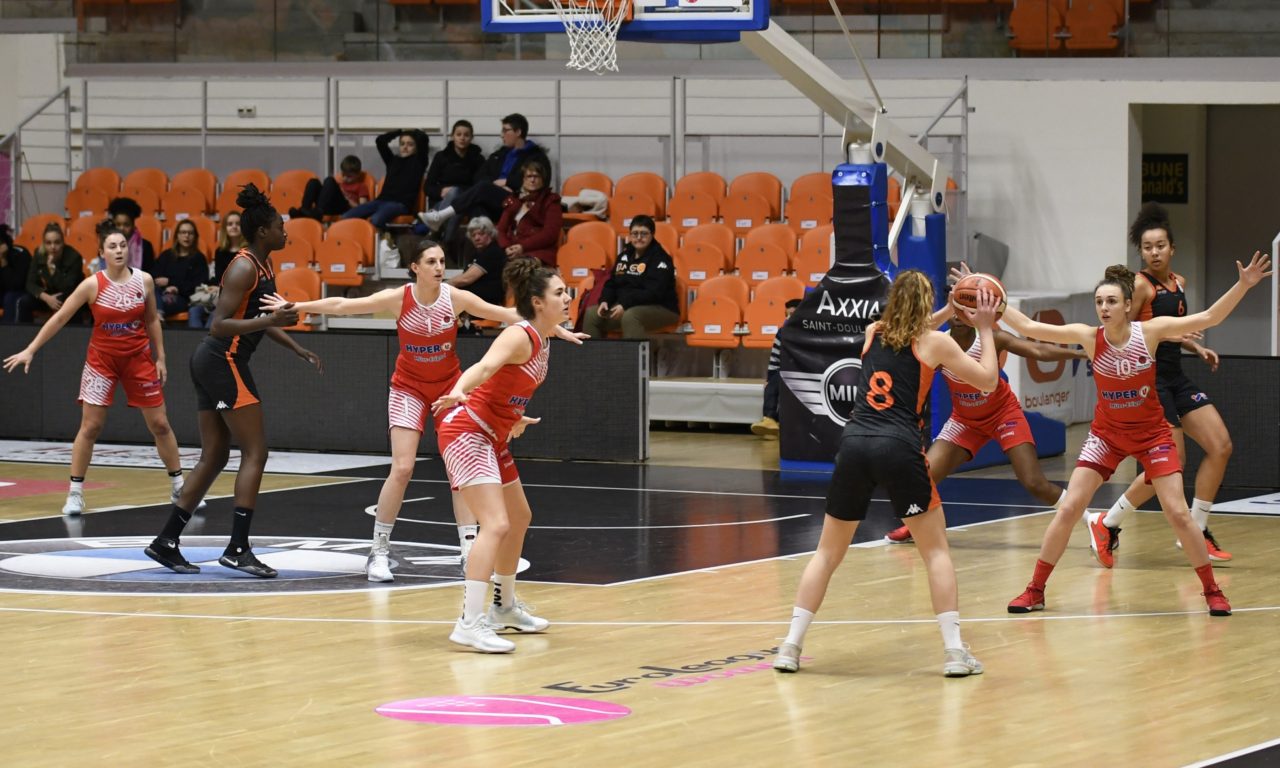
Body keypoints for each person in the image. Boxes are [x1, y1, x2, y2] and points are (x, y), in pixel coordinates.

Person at [261, 239, 584, 582]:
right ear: (415, 267)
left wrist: (555, 328)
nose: (439, 267)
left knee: (460, 473)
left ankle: (468, 550)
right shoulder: (400, 298)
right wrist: (295, 303)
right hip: (409, 388)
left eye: (442, 261)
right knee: (402, 467)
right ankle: (379, 552)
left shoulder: (455, 298)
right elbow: (344, 304)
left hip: (450, 386)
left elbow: (510, 315)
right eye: (431, 261)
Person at [1004, 255, 1272, 617]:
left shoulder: (1151, 331)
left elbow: (1209, 318)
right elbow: (1027, 326)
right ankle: (1035, 590)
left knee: (1178, 513)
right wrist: (992, 301)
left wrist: (1244, 285)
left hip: (1151, 435)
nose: (1104, 307)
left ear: (1129, 305)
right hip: (1107, 436)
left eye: (1112, 301)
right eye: (1099, 301)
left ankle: (1212, 591)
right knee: (1069, 508)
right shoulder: (1088, 336)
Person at [773, 270, 1001, 677]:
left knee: (827, 554)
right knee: (935, 552)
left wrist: (951, 309)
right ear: (927, 304)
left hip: (855, 443)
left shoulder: (873, 331)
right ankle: (953, 652)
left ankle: (790, 646)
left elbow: (907, 329)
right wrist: (983, 327)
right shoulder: (936, 342)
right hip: (898, 447)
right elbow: (986, 381)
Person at [144, 184, 322, 578]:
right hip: (221, 360)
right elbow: (219, 323)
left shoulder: (263, 265)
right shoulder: (243, 266)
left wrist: (295, 347)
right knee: (256, 451)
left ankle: (166, 542)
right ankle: (238, 547)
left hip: (215, 362)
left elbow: (262, 316)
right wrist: (269, 321)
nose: (285, 231)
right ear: (263, 232)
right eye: (280, 226)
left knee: (216, 455)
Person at [429, 259, 572, 653]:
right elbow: (486, 366)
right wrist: (459, 388)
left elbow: (507, 387)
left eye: (566, 291)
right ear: (536, 302)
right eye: (559, 293)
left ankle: (504, 607)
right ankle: (469, 623)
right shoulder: (518, 336)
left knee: (519, 516)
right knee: (494, 524)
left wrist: (513, 415)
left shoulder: (543, 338)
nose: (567, 298)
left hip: (493, 432)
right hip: (466, 430)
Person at [4, 220, 192, 516]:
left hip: (138, 359)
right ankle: (76, 493)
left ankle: (180, 486)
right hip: (101, 362)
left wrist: (161, 357)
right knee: (90, 426)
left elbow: (152, 319)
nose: (119, 251)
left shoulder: (143, 280)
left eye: (122, 246)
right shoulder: (92, 284)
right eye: (112, 246)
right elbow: (60, 318)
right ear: (102, 252)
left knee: (160, 424)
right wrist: (31, 349)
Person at [883, 272, 1086, 542]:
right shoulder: (938, 342)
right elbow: (910, 334)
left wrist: (1079, 352)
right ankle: (916, 526)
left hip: (1003, 414)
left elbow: (1036, 351)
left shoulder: (990, 336)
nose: (961, 313)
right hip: (965, 420)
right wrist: (949, 307)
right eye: (958, 305)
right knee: (923, 476)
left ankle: (1090, 519)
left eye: (968, 306)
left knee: (1034, 483)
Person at [1089, 203, 1235, 565]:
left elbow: (1162, 331)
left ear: (1172, 248)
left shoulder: (1178, 283)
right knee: (1169, 465)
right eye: (1147, 247)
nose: (1154, 252)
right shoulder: (1140, 286)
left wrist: (1193, 345)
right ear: (1141, 252)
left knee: (1220, 446)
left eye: (1160, 246)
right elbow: (1125, 332)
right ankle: (1107, 522)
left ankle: (1196, 529)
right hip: (1150, 381)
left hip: (1176, 375)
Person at [419, 113, 547, 233]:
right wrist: (496, 186)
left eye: (505, 130)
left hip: (519, 200)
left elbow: (541, 181)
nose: (501, 135)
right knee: (477, 206)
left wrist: (508, 182)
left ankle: (441, 217)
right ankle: (475, 248)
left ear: (518, 132)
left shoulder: (536, 156)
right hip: (497, 200)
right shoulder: (498, 155)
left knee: (482, 188)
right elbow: (479, 177)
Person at [582, 214, 679, 339]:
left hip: (662, 308)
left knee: (631, 316)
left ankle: (633, 358)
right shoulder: (624, 256)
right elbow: (612, 283)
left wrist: (625, 304)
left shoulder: (661, 259)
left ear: (652, 235)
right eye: (635, 233)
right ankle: (593, 357)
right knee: (591, 314)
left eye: (644, 234)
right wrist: (605, 300)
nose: (639, 238)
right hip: (626, 305)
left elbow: (653, 293)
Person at [342, 129, 430, 229]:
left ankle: (383, 240)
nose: (405, 147)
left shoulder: (419, 162)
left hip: (400, 204)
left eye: (410, 144)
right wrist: (399, 132)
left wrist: (410, 131)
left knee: (376, 219)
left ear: (416, 147)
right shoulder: (392, 161)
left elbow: (423, 138)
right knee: (346, 217)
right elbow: (380, 141)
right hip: (380, 201)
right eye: (402, 144)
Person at [419, 120, 484, 242]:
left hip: (465, 201)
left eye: (466, 135)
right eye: (458, 134)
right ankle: (445, 244)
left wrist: (459, 192)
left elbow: (479, 187)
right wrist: (441, 191)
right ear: (452, 136)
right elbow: (428, 187)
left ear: (471, 138)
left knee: (457, 198)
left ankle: (438, 236)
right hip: (441, 202)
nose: (462, 138)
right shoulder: (441, 156)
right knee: (455, 200)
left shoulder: (477, 159)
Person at [494, 158, 562, 268]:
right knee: (488, 262)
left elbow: (550, 234)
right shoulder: (513, 200)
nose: (532, 180)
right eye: (529, 176)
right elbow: (501, 229)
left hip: (538, 251)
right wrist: (506, 247)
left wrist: (522, 247)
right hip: (511, 250)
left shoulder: (551, 200)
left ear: (543, 180)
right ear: (523, 179)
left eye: (536, 176)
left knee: (520, 267)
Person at [751, 298, 802, 438]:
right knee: (773, 383)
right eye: (787, 315)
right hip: (785, 371)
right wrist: (769, 377)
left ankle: (775, 423)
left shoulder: (811, 332)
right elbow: (774, 358)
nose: (789, 318)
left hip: (804, 372)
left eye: (793, 314)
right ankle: (769, 420)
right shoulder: (782, 332)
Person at [19, 222, 85, 325]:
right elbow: (30, 283)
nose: (53, 247)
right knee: (24, 302)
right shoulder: (39, 254)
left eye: (57, 242)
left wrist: (53, 270)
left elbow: (68, 287)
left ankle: (73, 338)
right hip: (47, 296)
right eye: (48, 243)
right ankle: (24, 336)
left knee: (73, 304)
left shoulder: (74, 257)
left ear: (63, 242)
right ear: (44, 244)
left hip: (69, 296)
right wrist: (46, 298)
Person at [144, 219, 208, 320]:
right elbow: (154, 275)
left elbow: (199, 285)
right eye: (183, 232)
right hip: (160, 293)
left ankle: (158, 315)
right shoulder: (166, 255)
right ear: (177, 236)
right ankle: (158, 316)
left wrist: (174, 285)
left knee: (159, 302)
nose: (186, 236)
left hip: (183, 298)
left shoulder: (199, 258)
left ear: (195, 236)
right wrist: (165, 287)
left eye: (190, 233)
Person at [448, 216, 507, 308]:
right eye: (473, 235)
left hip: (488, 305)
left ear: (490, 234)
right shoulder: (479, 253)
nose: (477, 238)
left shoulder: (492, 252)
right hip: (475, 303)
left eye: (481, 234)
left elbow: (465, 279)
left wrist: (442, 286)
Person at [289, 155, 371, 221]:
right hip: (330, 205)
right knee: (313, 182)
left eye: (349, 176)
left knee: (329, 180)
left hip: (344, 208)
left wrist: (347, 199)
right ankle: (304, 210)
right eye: (343, 175)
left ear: (358, 175)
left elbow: (362, 209)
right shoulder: (340, 184)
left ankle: (318, 212)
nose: (345, 178)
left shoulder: (361, 186)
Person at [107, 196, 154, 271]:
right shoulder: (107, 245)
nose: (121, 228)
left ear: (133, 225)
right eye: (118, 224)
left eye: (126, 225)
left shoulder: (146, 246)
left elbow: (149, 273)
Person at [0, 224, 33, 323]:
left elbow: (15, 285)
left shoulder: (20, 254)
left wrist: (3, 260)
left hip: (21, 292)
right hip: (3, 292)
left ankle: (8, 335)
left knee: (10, 298)